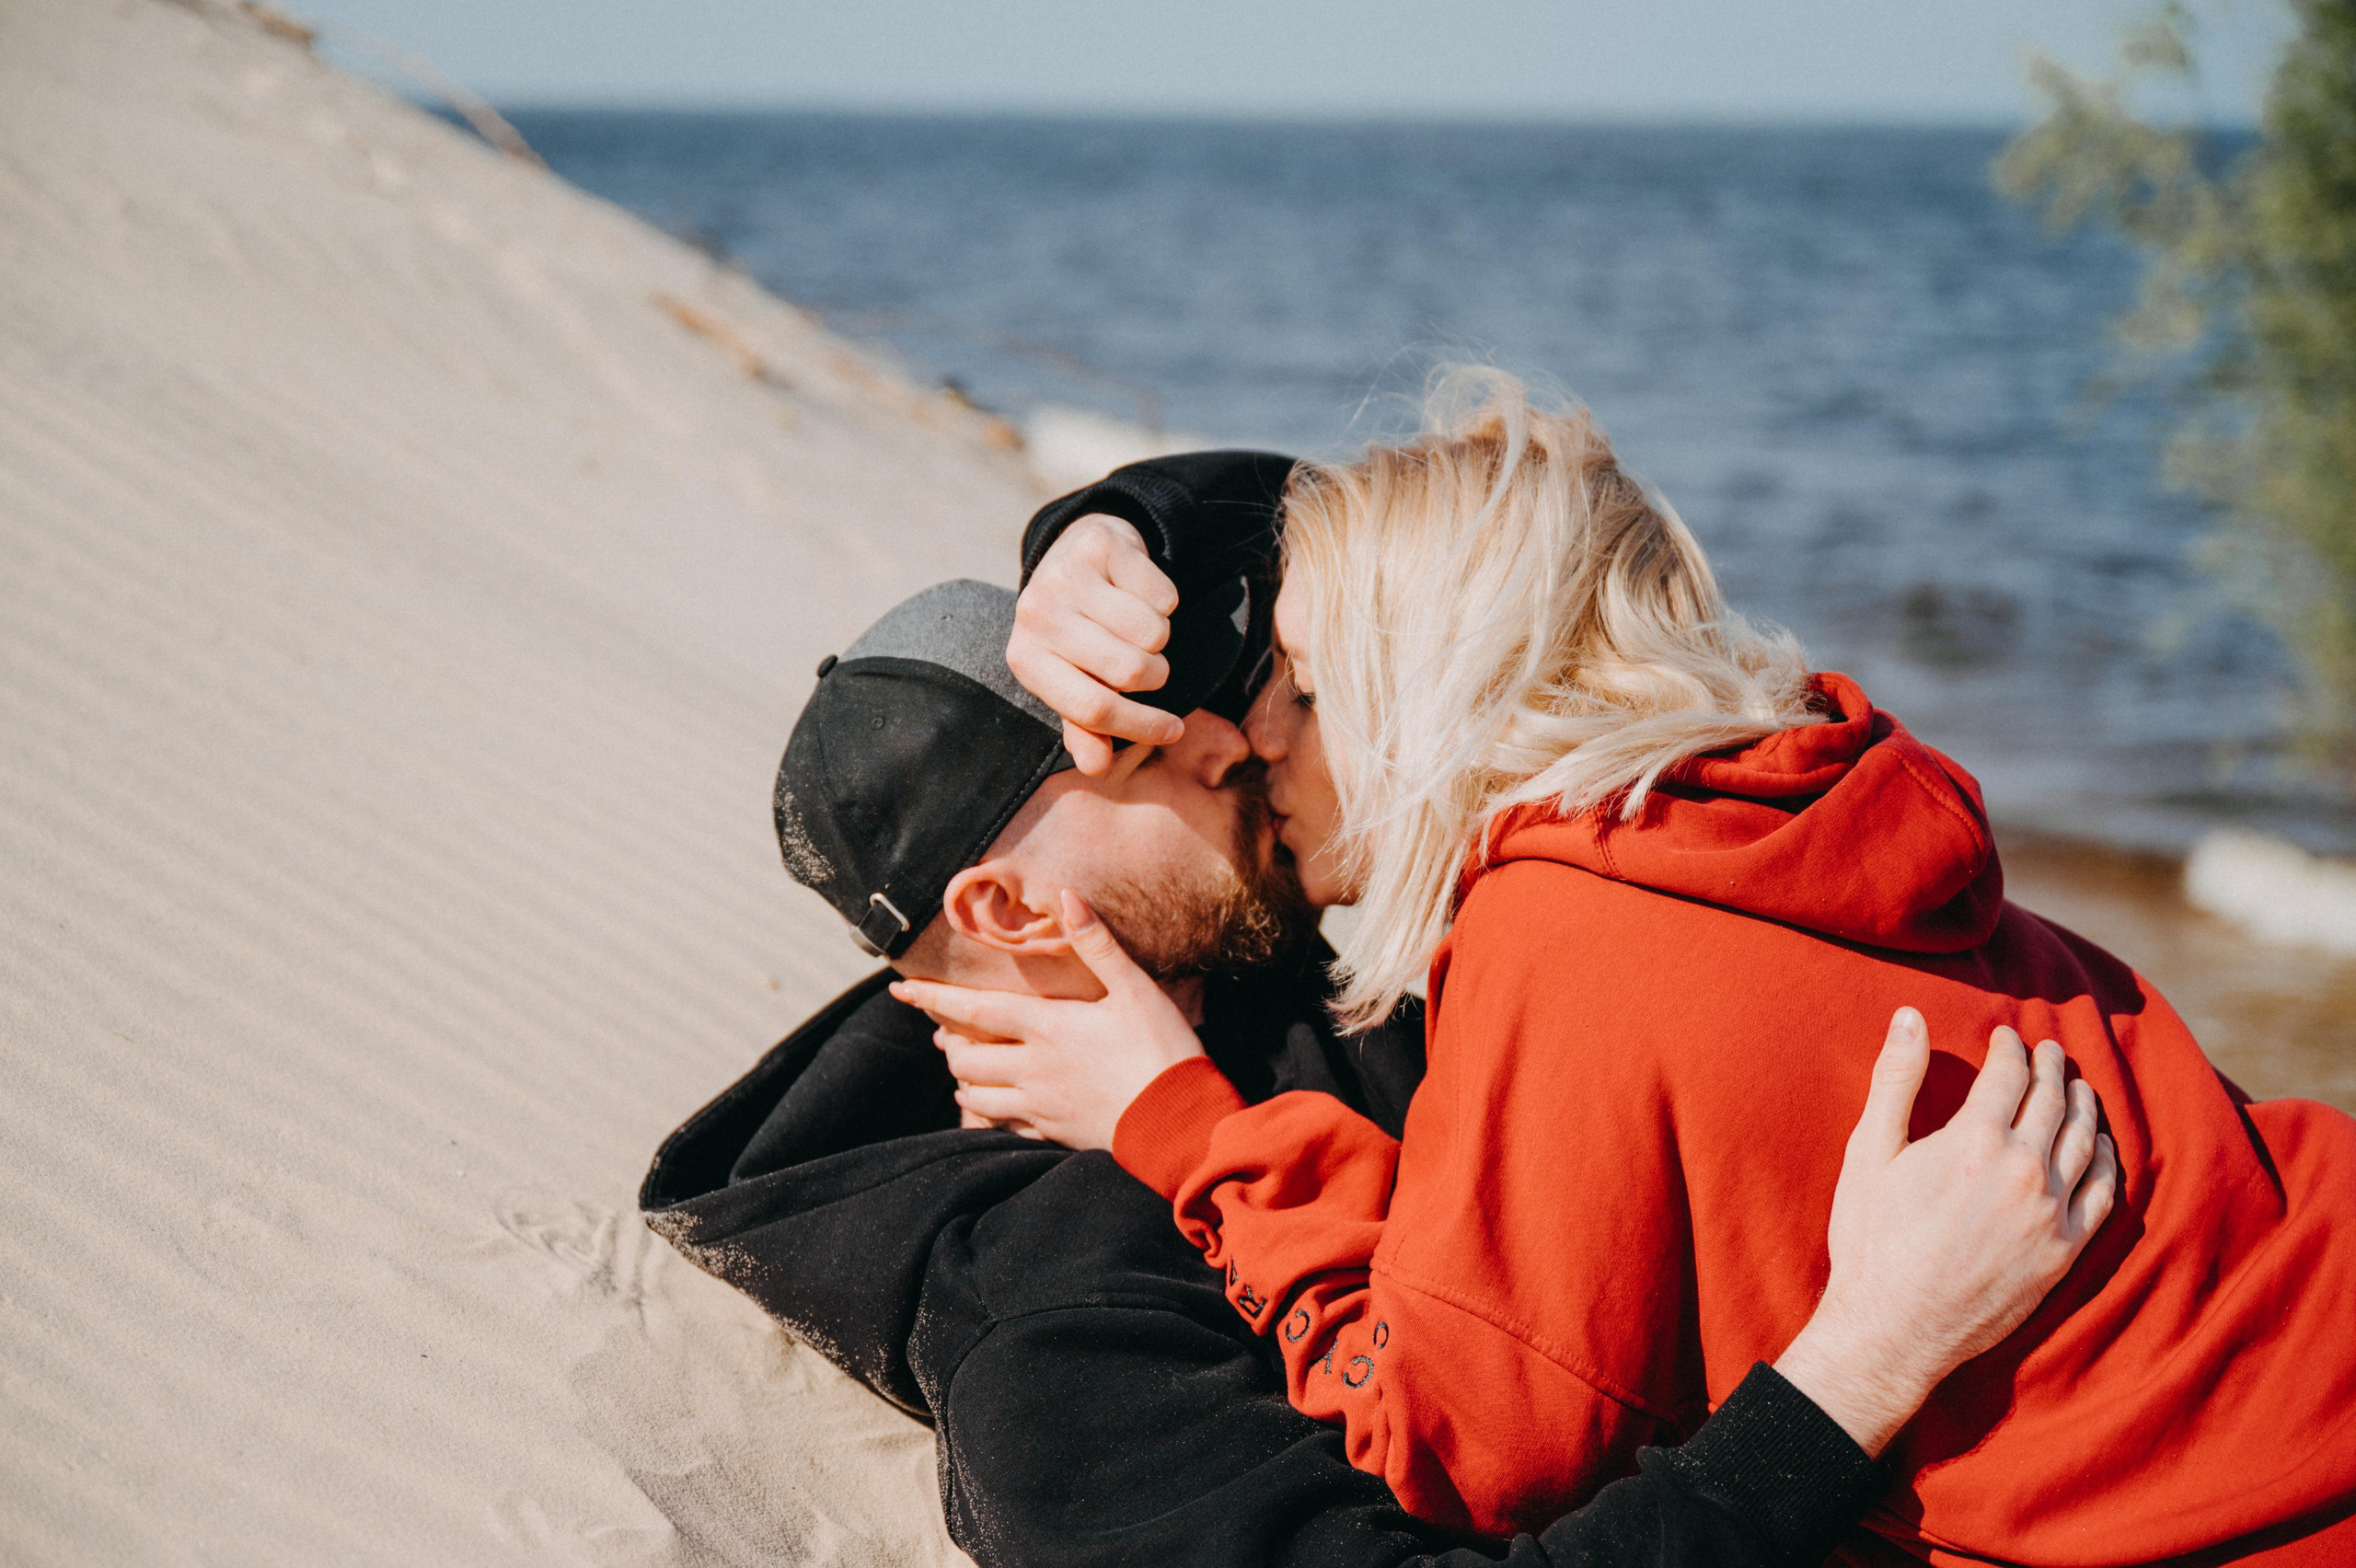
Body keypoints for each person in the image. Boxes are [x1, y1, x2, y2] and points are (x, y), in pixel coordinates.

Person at [912, 376, 2356, 1566]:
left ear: (1432, 690)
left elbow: (1438, 1455)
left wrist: (1176, 1113)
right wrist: (1112, 527)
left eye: (1303, 687)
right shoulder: (1778, 795)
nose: (1260, 741)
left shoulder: (1569, 940)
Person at [648, 557, 2111, 1568]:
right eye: (1137, 745)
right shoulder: (1045, 1323)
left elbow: (1488, 570)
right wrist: (1865, 1365)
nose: (1231, 737)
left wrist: (1118, 530)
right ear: (1009, 908)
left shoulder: (1281, 958)